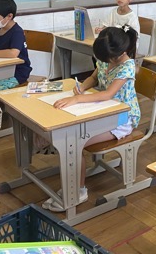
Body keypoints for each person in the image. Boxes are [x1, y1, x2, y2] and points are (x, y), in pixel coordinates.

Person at [44, 26, 140, 211]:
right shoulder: (107, 58)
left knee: (75, 142)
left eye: (106, 59)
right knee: (69, 134)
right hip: (102, 112)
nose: (103, 63)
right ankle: (72, 183)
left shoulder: (127, 66)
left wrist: (77, 99)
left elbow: (108, 94)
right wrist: (82, 87)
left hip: (122, 119)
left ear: (118, 54)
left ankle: (78, 191)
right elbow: (94, 77)